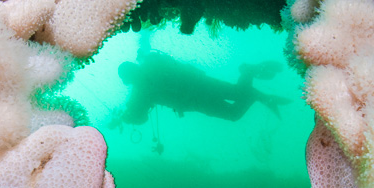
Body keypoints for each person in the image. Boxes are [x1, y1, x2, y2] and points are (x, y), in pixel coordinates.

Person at [117, 51, 289, 124]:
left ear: (130, 77)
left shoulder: (141, 89)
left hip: (196, 100)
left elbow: (139, 118)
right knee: (238, 92)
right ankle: (249, 73)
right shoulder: (151, 64)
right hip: (201, 83)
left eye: (127, 80)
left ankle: (255, 90)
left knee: (233, 114)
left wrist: (124, 118)